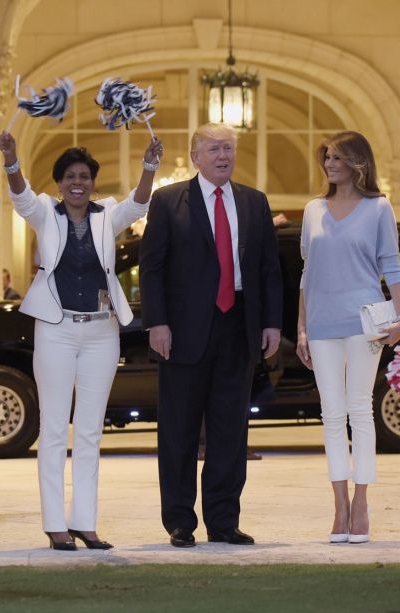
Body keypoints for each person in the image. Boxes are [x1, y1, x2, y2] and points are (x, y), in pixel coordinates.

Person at [0, 130, 163, 551]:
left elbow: (139, 203)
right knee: (54, 428)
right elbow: (19, 196)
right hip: (55, 328)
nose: (78, 182)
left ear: (93, 182)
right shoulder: (44, 214)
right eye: (70, 175)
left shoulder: (107, 214)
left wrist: (149, 166)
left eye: (85, 176)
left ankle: (85, 523)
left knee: (89, 431)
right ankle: (55, 525)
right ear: (59, 183)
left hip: (101, 332)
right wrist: (12, 158)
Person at [139, 122, 283, 548]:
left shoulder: (254, 203)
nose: (224, 156)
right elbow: (152, 266)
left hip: (238, 326)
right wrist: (156, 322)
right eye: (215, 149)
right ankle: (180, 521)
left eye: (229, 148)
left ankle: (224, 520)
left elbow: (268, 269)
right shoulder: (168, 201)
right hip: (182, 331)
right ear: (195, 157)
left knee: (230, 430)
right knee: (179, 429)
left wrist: (271, 322)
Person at [295, 131, 400, 544]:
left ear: (358, 163)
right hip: (322, 324)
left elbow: (393, 271)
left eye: (338, 157)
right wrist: (302, 328)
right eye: (326, 157)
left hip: (366, 322)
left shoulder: (379, 208)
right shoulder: (312, 210)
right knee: (331, 413)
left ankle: (361, 501)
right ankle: (338, 504)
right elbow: (306, 275)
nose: (329, 163)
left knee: (360, 410)